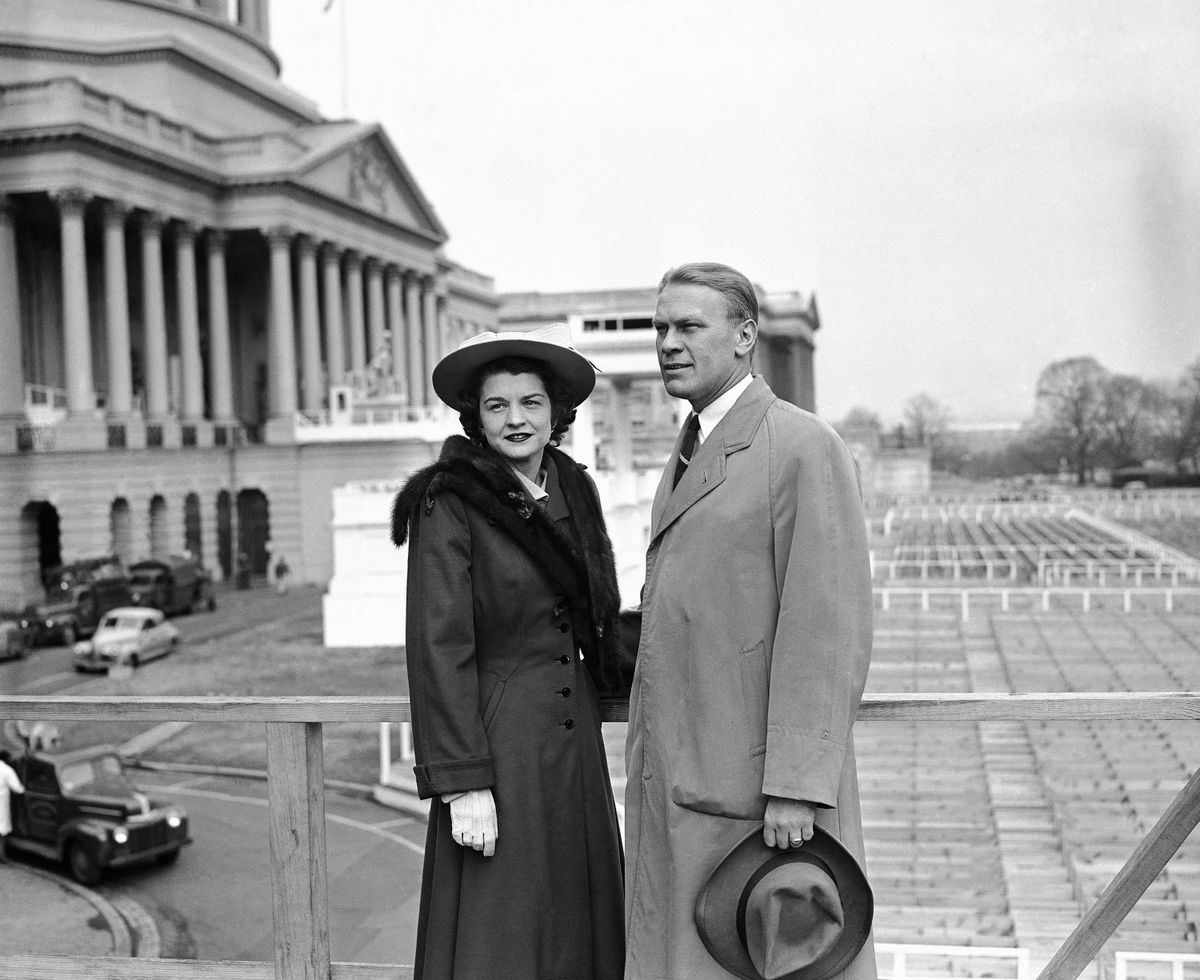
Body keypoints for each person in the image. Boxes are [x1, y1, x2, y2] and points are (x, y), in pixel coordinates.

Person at [624, 262, 875, 979]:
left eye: (688, 327)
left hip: (758, 793)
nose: (668, 343)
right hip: (686, 771)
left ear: (744, 336)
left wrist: (796, 785)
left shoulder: (802, 445)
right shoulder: (691, 448)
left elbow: (825, 627)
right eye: (661, 328)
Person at [391, 323, 626, 980]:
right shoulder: (449, 499)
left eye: (530, 403)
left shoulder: (577, 486)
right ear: (477, 417)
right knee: (506, 928)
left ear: (556, 413)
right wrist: (464, 781)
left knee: (577, 922)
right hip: (501, 745)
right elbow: (439, 645)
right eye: (497, 405)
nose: (515, 419)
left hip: (574, 746)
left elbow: (597, 613)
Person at [0, 749, 25, 862]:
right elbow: (18, 789)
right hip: (1, 803)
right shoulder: (7, 770)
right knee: (2, 830)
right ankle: (1, 855)